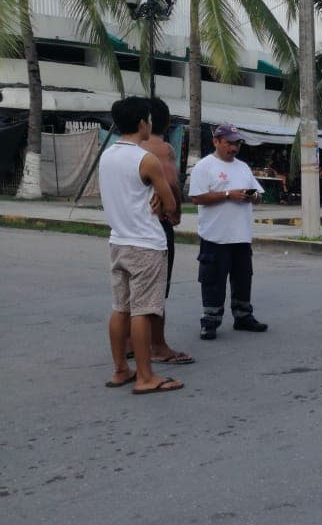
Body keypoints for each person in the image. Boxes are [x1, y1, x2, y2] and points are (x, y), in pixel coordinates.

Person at [98, 95, 184, 394]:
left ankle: (121, 369)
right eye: (148, 119)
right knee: (144, 311)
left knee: (120, 307)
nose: (150, 123)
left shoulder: (106, 156)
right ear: (141, 123)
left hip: (118, 240)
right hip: (146, 243)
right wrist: (163, 200)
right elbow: (171, 204)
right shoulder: (146, 159)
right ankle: (147, 376)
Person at [189, 123, 267, 340]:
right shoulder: (205, 166)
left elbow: (259, 194)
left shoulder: (243, 167)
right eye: (229, 143)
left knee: (243, 278)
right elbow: (196, 197)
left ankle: (243, 316)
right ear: (216, 141)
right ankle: (210, 321)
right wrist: (227, 195)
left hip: (241, 235)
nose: (233, 148)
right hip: (215, 236)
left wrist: (251, 195)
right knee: (213, 279)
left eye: (237, 143)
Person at [138, 97, 193, 364]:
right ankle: (158, 345)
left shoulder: (121, 149)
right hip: (156, 226)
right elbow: (171, 182)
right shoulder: (162, 148)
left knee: (131, 292)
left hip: (128, 228)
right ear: (166, 121)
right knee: (158, 290)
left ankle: (130, 343)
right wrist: (176, 212)